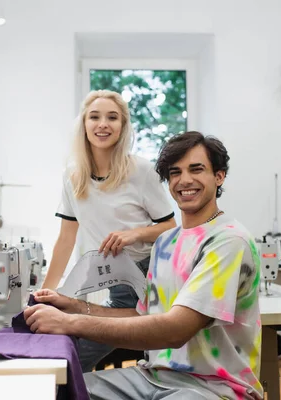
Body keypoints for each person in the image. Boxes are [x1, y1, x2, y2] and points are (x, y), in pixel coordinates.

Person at [26, 131, 263, 400]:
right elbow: (144, 316)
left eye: (197, 169)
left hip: (214, 388)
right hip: (152, 376)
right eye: (175, 172)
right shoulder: (165, 242)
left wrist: (70, 322)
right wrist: (75, 306)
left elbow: (175, 330)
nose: (185, 180)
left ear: (219, 176)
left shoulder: (228, 240)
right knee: (61, 391)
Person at [41, 89, 176, 372]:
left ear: (122, 127)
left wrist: (135, 234)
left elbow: (170, 227)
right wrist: (44, 294)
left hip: (151, 273)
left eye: (112, 117)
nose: (103, 124)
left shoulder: (141, 171)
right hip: (116, 278)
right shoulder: (73, 175)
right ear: (84, 125)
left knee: (75, 357)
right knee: (69, 354)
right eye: (95, 117)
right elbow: (66, 238)